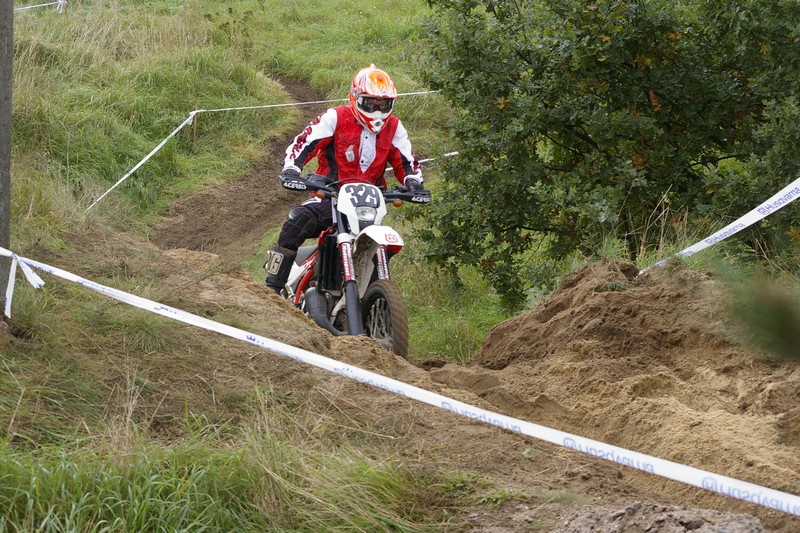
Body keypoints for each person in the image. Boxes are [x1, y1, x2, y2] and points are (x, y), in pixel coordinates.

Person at [264, 64, 424, 293]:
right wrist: (292, 168)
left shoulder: (395, 127)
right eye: (371, 103)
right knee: (296, 221)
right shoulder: (336, 117)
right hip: (330, 197)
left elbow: (407, 162)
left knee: (382, 243)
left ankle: (377, 296)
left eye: (383, 104)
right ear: (355, 98)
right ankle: (271, 289)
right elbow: (304, 143)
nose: (377, 111)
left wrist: (413, 182)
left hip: (369, 205)